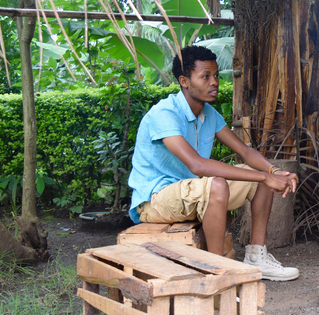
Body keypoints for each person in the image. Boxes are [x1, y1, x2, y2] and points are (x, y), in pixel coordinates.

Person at [128, 45, 300, 281]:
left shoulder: (209, 114)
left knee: (257, 177)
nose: (215, 82)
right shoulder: (164, 114)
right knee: (219, 184)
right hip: (155, 200)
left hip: (191, 192)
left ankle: (256, 256)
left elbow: (245, 151)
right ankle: (215, 272)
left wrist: (274, 171)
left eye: (216, 75)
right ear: (184, 81)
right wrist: (264, 175)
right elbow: (197, 165)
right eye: (205, 76)